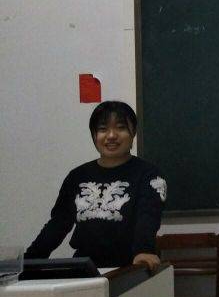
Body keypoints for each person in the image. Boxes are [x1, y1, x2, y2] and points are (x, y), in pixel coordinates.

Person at [25, 101, 166, 270]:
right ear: (94, 135)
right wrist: (28, 260)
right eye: (103, 129)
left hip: (130, 268)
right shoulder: (77, 176)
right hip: (85, 268)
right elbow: (58, 223)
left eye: (121, 128)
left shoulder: (149, 174)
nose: (111, 135)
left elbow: (148, 216)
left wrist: (144, 250)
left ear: (133, 132)